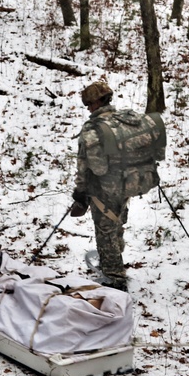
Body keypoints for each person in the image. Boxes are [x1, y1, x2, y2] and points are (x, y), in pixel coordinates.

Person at [72, 81, 130, 291]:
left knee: (105, 233)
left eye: (89, 103)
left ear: (96, 102)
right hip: (125, 186)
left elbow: (83, 164)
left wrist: (80, 191)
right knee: (117, 226)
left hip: (102, 191)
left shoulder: (91, 129)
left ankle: (115, 278)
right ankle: (113, 262)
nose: (88, 108)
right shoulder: (124, 122)